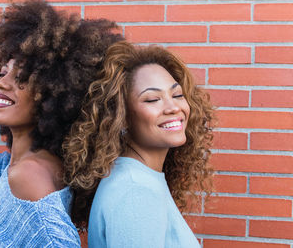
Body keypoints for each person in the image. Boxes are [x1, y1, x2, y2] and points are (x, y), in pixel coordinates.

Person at [0, 0, 122, 247]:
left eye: (20, 76)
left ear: (56, 93)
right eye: (1, 73)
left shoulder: (29, 177)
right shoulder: (22, 167)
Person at [63, 41, 214, 247]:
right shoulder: (134, 192)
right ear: (122, 117)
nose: (173, 107)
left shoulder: (140, 178)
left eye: (177, 95)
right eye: (152, 99)